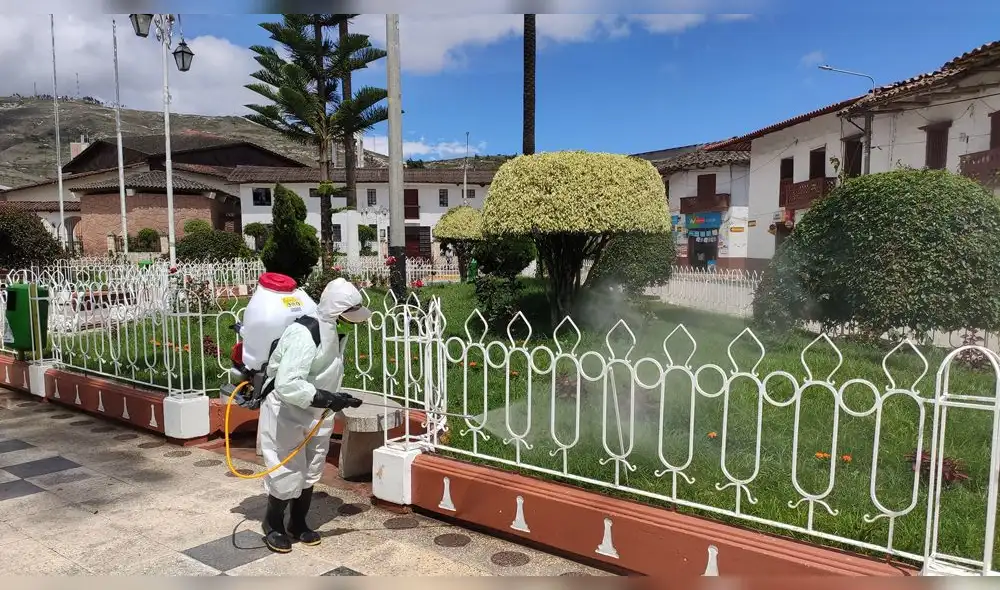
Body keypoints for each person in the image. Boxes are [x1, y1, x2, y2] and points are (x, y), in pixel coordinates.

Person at [257, 277, 372, 553]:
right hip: (287, 410)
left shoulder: (330, 331)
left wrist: (336, 398)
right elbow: (287, 383)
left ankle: (298, 521)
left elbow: (323, 371)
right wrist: (325, 397)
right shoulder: (305, 334)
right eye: (348, 316)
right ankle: (272, 523)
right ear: (335, 313)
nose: (351, 323)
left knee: (311, 467)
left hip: (316, 412)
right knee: (287, 467)